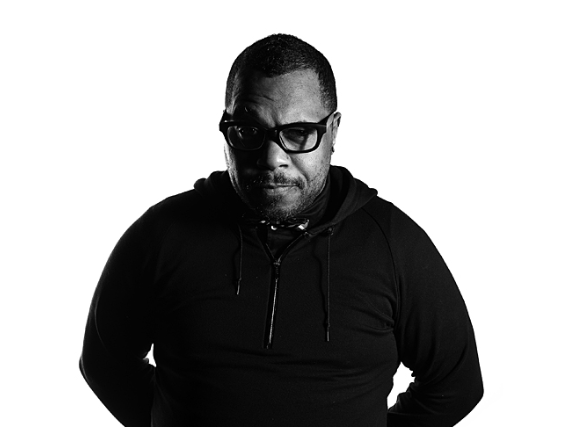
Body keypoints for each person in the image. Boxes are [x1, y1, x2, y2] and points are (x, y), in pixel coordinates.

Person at [80, 34, 483, 427]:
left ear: (333, 131)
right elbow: (105, 364)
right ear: (226, 127)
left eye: (298, 133)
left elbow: (455, 386)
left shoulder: (393, 243)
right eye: (249, 131)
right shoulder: (162, 235)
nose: (273, 158)